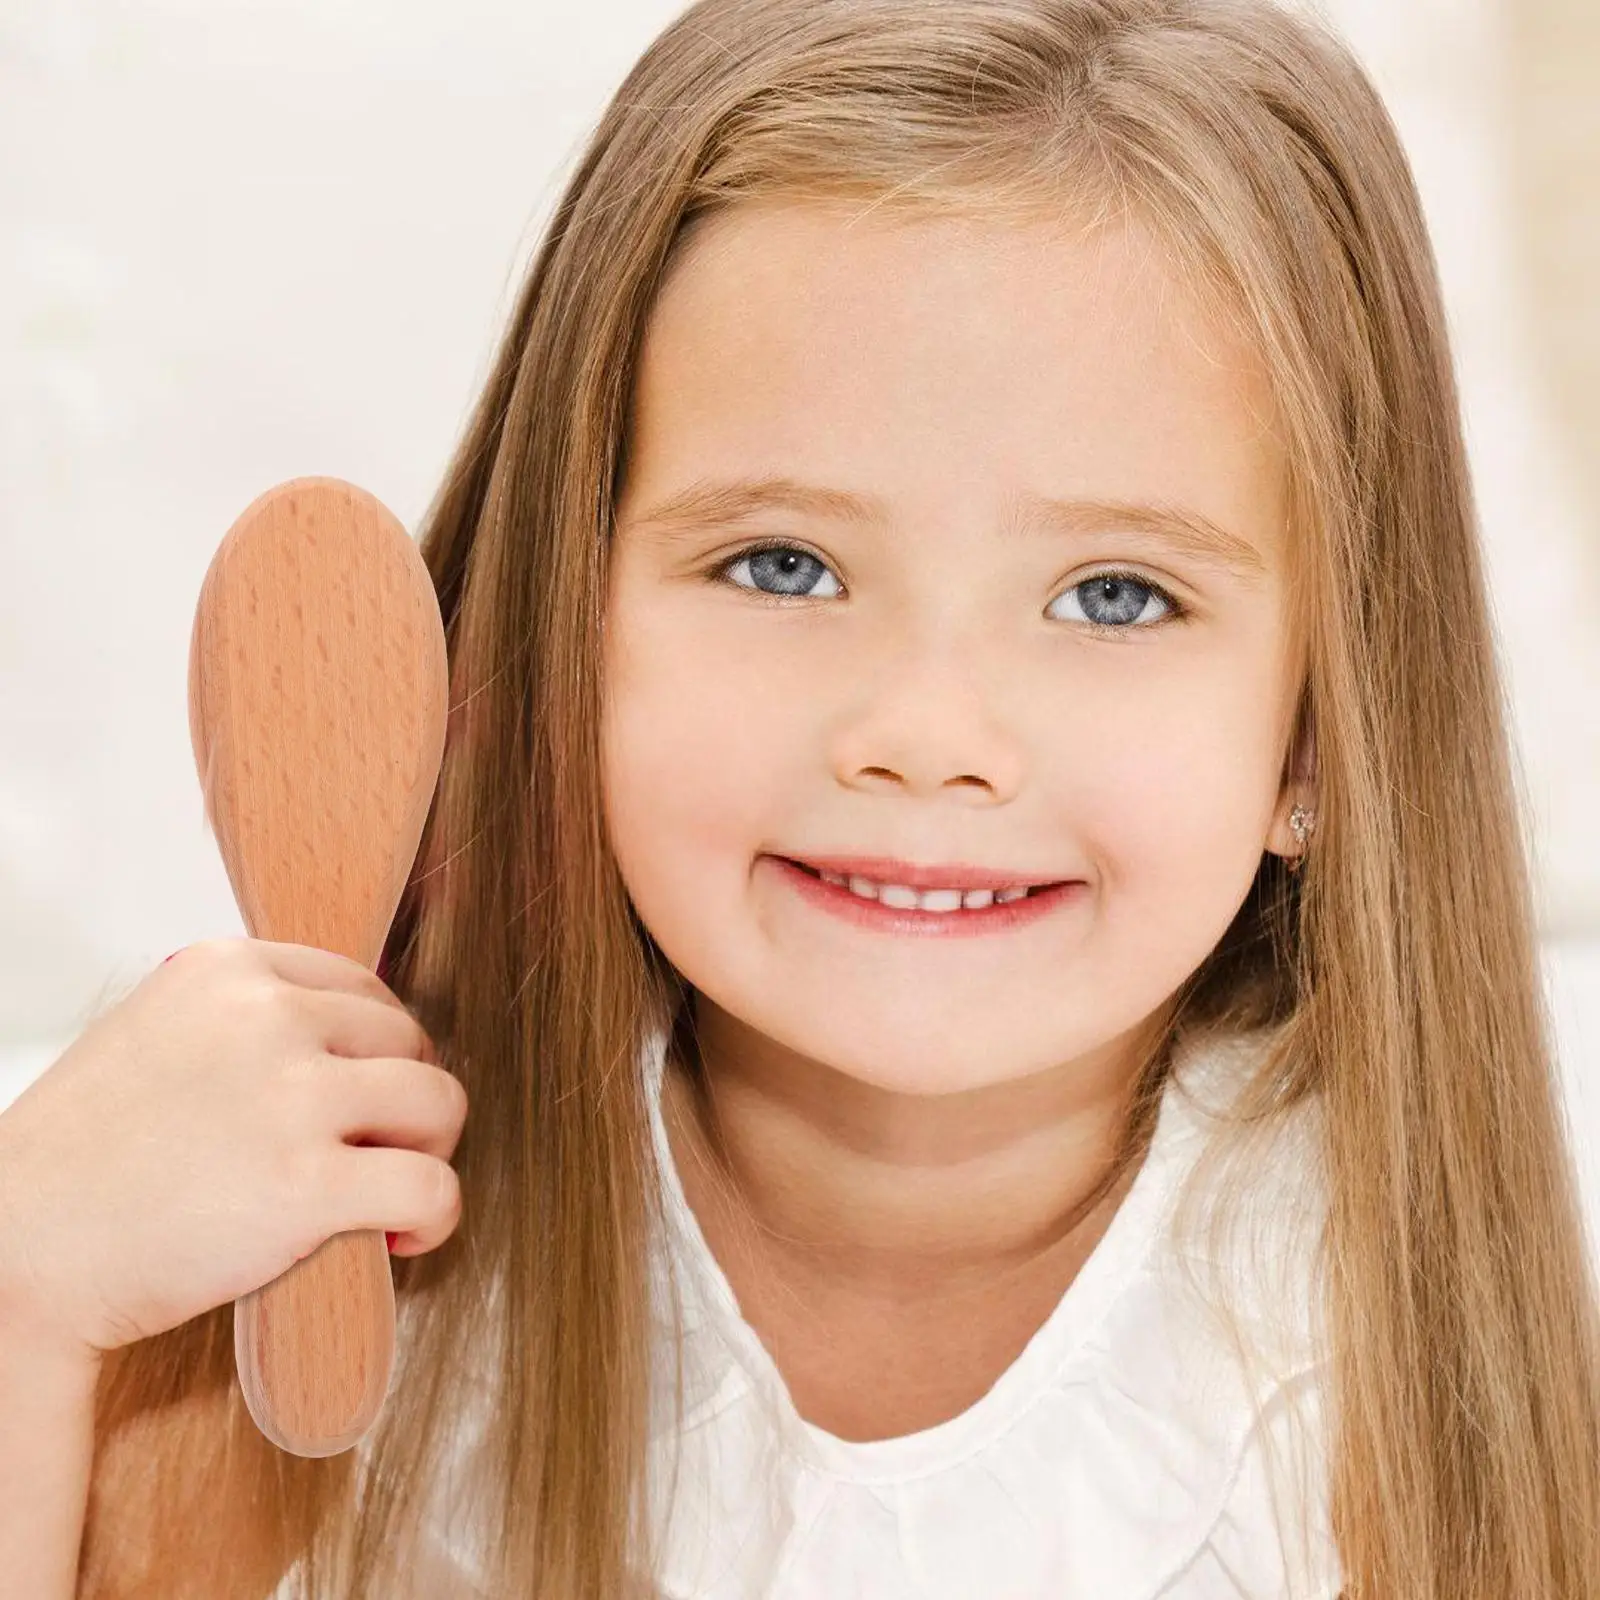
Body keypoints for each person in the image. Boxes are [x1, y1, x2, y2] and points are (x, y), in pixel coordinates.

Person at [2, 0, 1597, 1596]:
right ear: (572, 621)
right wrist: (25, 1290)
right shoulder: (301, 1249)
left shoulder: (1371, 1342)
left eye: (1114, 597)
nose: (924, 735)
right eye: (784, 565)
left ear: (1317, 740)